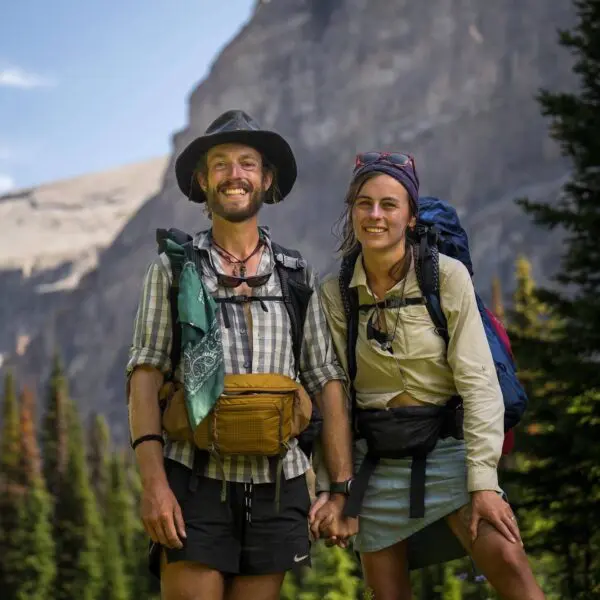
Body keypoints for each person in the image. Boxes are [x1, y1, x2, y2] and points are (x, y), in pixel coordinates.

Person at [126, 109, 354, 600]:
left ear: (266, 180)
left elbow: (326, 380)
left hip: (278, 486)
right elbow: (145, 375)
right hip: (193, 481)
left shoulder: (297, 274)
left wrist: (340, 488)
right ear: (202, 180)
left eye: (248, 164)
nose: (235, 175)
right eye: (222, 164)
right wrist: (154, 485)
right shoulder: (172, 269)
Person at [310, 152, 545, 599]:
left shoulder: (445, 276)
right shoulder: (335, 292)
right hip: (375, 464)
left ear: (411, 216)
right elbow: (332, 395)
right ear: (352, 210)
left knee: (512, 569)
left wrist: (484, 483)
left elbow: (479, 383)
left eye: (388, 204)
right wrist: (334, 489)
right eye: (364, 203)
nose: (375, 215)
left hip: (450, 452)